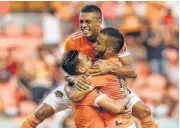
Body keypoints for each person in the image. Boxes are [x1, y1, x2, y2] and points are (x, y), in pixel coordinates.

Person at [21, 5, 156, 128]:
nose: (83, 26)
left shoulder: (112, 39)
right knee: (41, 112)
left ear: (99, 22)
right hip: (83, 84)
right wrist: (76, 82)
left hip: (108, 86)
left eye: (88, 22)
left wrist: (110, 69)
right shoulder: (72, 41)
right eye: (81, 22)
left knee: (144, 111)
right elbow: (69, 69)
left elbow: (131, 71)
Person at [61, 28, 136, 128]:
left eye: (99, 43)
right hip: (124, 122)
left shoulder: (97, 71)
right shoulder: (116, 64)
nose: (94, 45)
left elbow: (74, 96)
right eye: (88, 59)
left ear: (109, 49)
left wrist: (126, 99)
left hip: (118, 124)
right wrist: (127, 98)